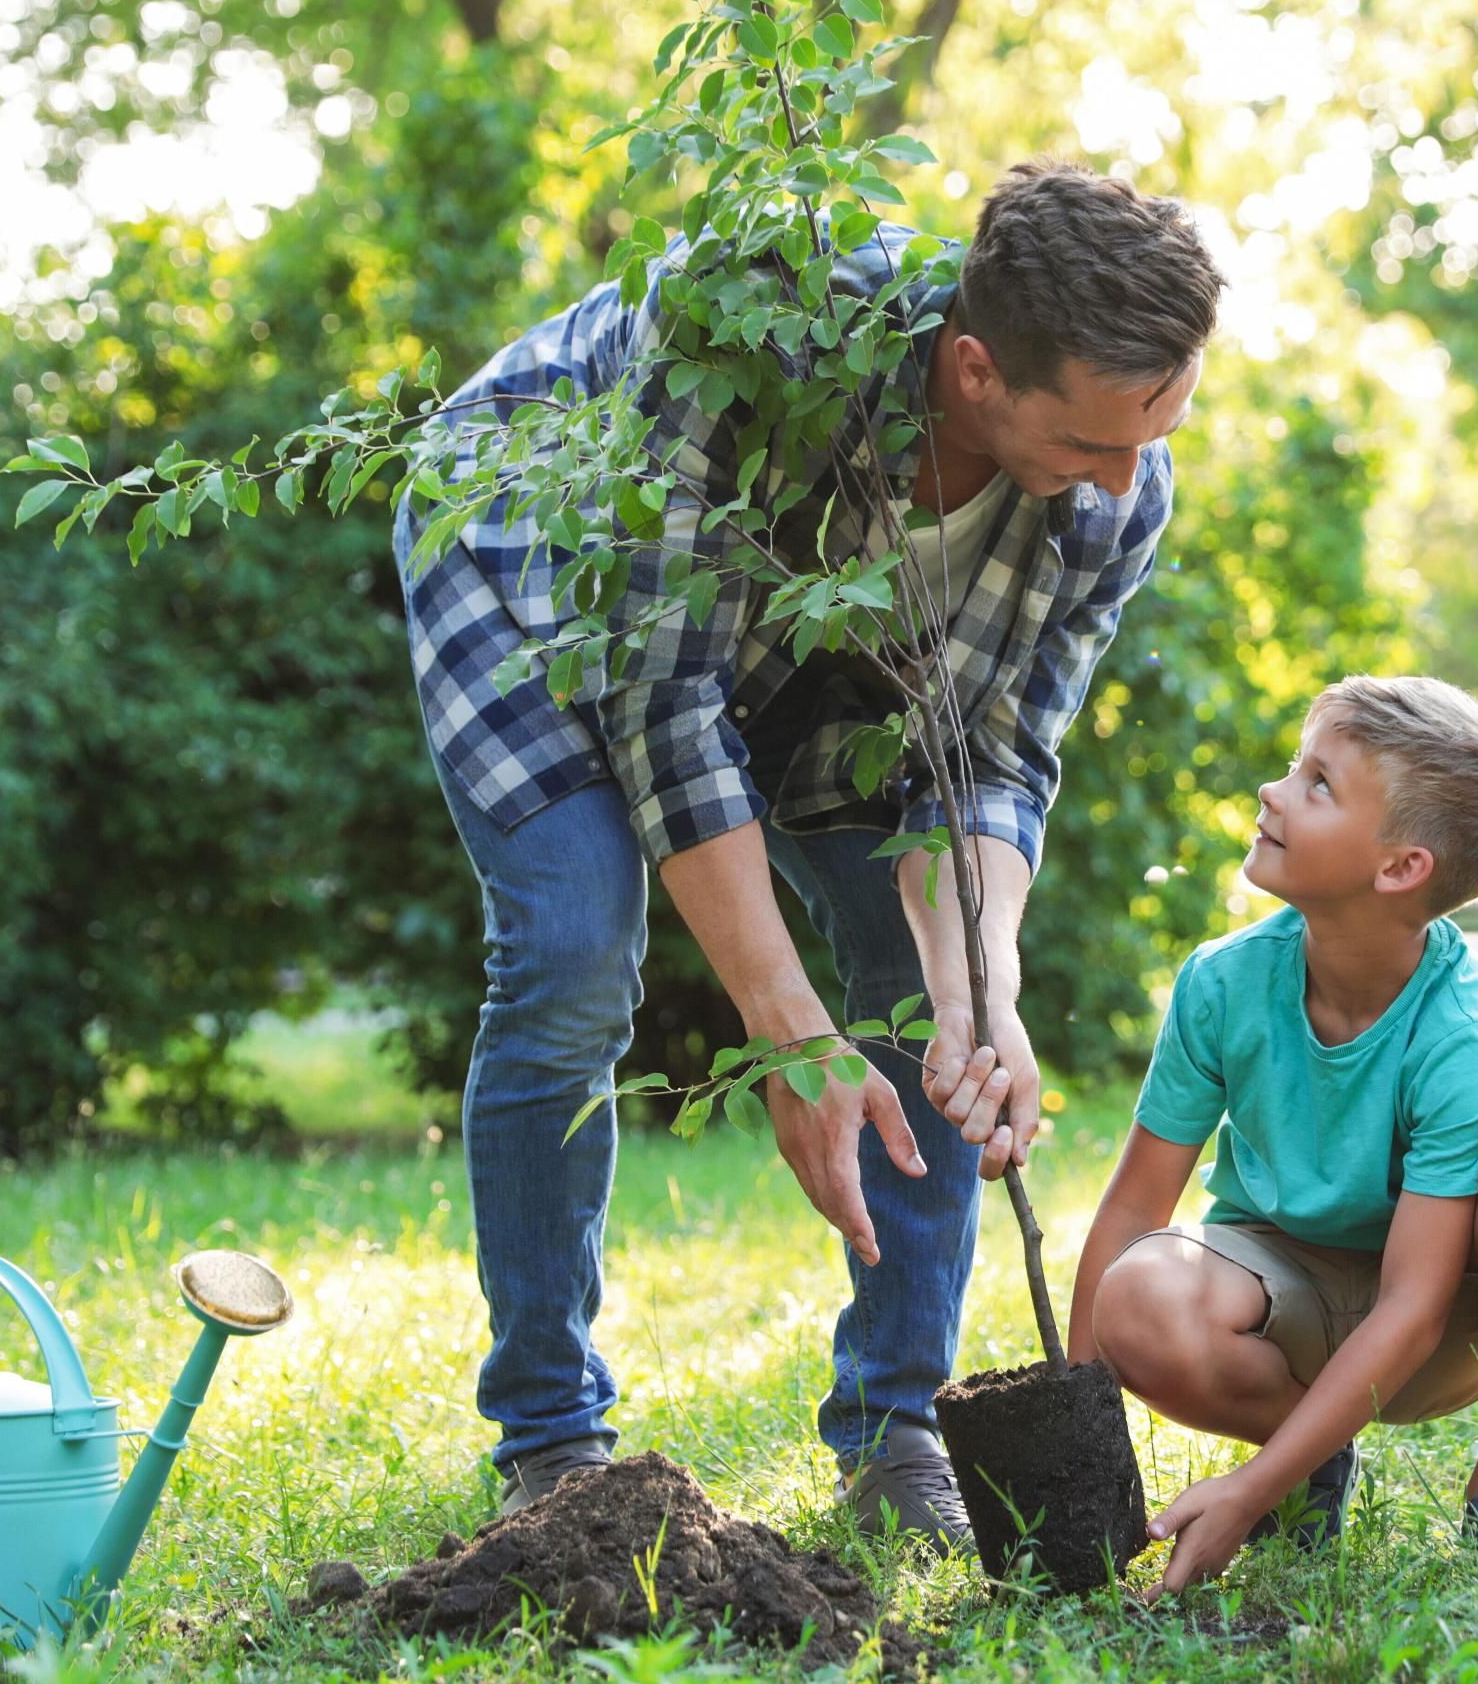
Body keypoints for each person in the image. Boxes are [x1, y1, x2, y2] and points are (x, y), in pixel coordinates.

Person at [395, 162, 1225, 1542]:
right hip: (533, 560)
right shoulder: (747, 331)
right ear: (974, 368)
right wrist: (787, 1036)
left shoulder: (1115, 496)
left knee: (923, 988)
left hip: (816, 647)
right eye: (1096, 442)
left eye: (1155, 435)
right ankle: (552, 1433)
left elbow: (999, 760)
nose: (1127, 484)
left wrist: (986, 1001)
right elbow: (666, 706)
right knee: (576, 946)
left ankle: (897, 1423)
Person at [1065, 676, 1478, 1589]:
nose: (1273, 793)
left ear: (1400, 867)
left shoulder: (1466, 1034)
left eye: (1317, 783)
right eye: (1295, 766)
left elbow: (1413, 1304)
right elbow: (1133, 1207)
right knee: (1139, 1293)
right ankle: (1308, 1462)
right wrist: (1079, 1443)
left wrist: (1243, 1490)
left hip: (1438, 1328)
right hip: (1279, 1288)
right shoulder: (1224, 981)